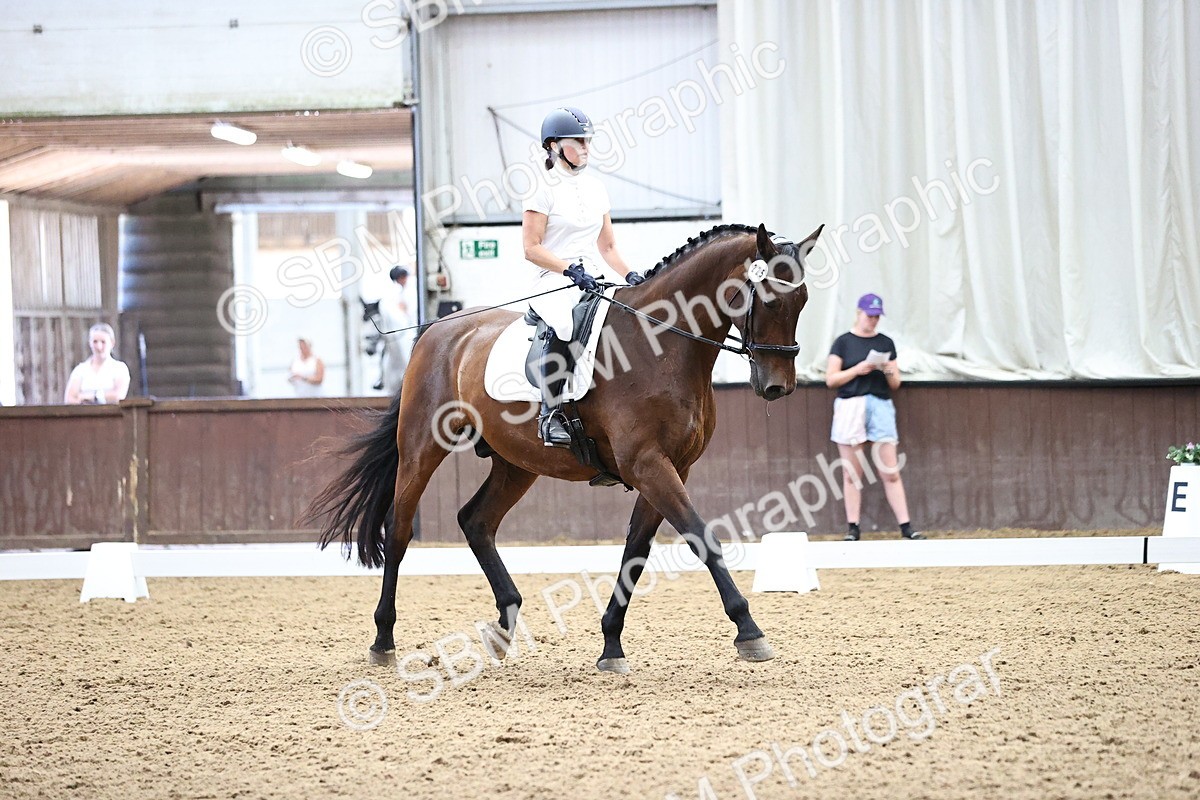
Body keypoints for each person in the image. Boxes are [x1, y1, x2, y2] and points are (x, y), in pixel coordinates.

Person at [521, 106, 645, 447]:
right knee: (564, 323)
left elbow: (607, 247)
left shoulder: (596, 189)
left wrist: (632, 274)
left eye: (587, 140)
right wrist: (568, 270)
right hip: (551, 279)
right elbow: (531, 248)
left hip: (592, 275)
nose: (586, 147)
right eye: (578, 141)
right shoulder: (541, 189)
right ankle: (550, 414)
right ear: (554, 146)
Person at [825, 293, 924, 541]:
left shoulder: (886, 342)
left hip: (879, 405)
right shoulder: (843, 342)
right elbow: (831, 379)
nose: (873, 321)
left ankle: (906, 526)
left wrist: (888, 369)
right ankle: (853, 527)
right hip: (851, 405)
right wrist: (858, 370)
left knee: (890, 470)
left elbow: (896, 383)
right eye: (870, 316)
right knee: (851, 472)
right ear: (859, 313)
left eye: (877, 317)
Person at [64, 323, 131, 405]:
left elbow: (118, 396)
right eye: (95, 342)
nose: (99, 346)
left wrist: (91, 397)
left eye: (103, 342)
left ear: (112, 343)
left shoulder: (120, 368)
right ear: (90, 343)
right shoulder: (80, 370)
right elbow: (69, 398)